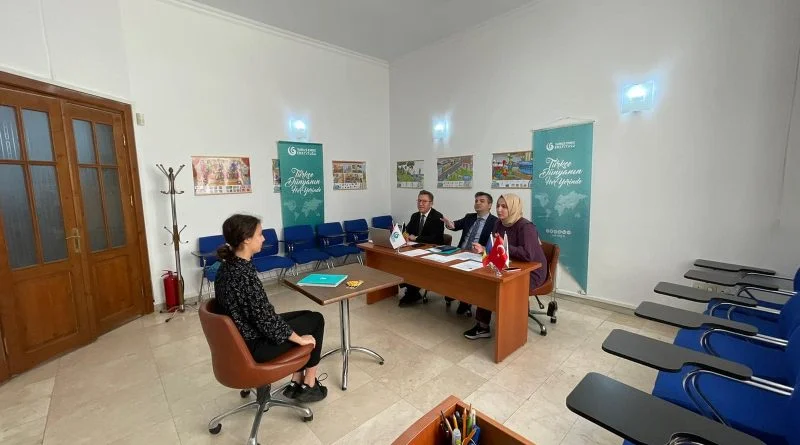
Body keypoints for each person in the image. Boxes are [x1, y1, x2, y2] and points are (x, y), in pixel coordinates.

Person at [213, 214, 327, 402]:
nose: (264, 238)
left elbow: (260, 315)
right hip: (254, 345)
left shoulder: (227, 267)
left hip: (242, 336)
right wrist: (299, 339)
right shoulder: (243, 275)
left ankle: (296, 380)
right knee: (316, 320)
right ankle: (309, 384)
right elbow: (266, 321)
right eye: (260, 234)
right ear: (246, 239)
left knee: (307, 315)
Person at [464, 193, 547, 339]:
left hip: (532, 271)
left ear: (513, 208)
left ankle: (511, 330)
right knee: (485, 281)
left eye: (504, 206)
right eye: (498, 206)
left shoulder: (526, 227)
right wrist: (484, 249)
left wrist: (504, 245)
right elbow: (496, 247)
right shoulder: (499, 223)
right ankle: (483, 327)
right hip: (508, 265)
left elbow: (528, 255)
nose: (499, 209)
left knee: (497, 286)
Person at [440, 192, 498, 316]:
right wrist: (449, 224)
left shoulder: (495, 222)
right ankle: (453, 294)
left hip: (478, 256)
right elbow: (455, 225)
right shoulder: (469, 217)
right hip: (461, 252)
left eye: (482, 201)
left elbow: (495, 245)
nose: (478, 203)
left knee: (468, 277)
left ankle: (465, 302)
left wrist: (484, 250)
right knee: (445, 268)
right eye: (476, 201)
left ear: (490, 205)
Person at [399, 190, 445, 306]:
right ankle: (410, 289)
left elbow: (435, 238)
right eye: (419, 201)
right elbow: (407, 230)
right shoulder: (415, 216)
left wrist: (416, 238)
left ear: (431, 203)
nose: (420, 204)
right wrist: (405, 235)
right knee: (400, 261)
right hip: (415, 249)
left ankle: (412, 292)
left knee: (414, 266)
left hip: (432, 251)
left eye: (424, 201)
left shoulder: (437, 217)